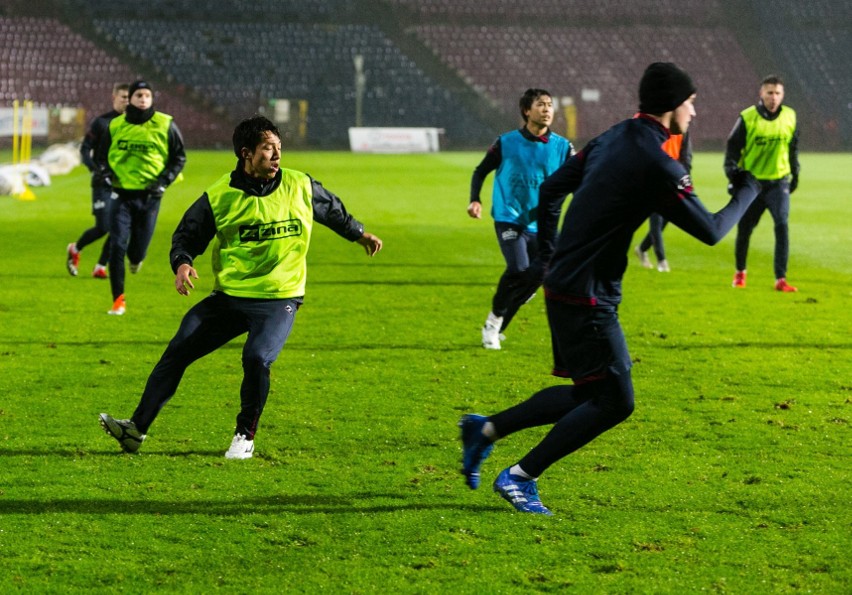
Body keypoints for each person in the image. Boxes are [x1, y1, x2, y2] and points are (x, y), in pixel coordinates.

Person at [458, 63, 761, 515]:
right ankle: (520, 477)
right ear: (673, 103)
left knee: (590, 392)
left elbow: (552, 189)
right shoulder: (657, 163)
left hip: (569, 281)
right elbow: (713, 230)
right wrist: (750, 189)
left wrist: (550, 253)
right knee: (617, 401)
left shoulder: (611, 136)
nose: (695, 111)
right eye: (691, 102)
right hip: (587, 292)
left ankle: (485, 430)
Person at [98, 115, 383, 459]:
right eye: (268, 149)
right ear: (246, 154)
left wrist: (358, 233)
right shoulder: (220, 196)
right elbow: (187, 235)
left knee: (256, 358)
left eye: (279, 147)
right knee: (178, 351)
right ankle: (135, 430)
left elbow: (331, 210)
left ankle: (244, 436)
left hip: (279, 298)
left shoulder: (300, 185)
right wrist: (183, 263)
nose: (277, 156)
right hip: (230, 298)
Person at [468, 88, 573, 350]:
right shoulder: (506, 142)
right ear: (527, 110)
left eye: (550, 104)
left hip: (544, 225)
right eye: (541, 104)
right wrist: (475, 199)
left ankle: (499, 325)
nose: (547, 109)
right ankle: (493, 323)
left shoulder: (563, 147)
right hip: (509, 217)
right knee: (517, 270)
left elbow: (578, 179)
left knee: (535, 277)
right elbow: (481, 171)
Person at [95, 80, 187, 315]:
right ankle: (118, 300)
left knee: (136, 252)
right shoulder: (116, 125)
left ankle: (136, 260)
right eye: (138, 95)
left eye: (147, 95)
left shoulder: (165, 124)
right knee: (117, 245)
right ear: (132, 99)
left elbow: (179, 157)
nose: (143, 99)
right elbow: (102, 156)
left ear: (151, 99)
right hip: (121, 195)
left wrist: (163, 182)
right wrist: (106, 174)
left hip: (150, 197)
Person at [725, 75, 800, 292]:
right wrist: (734, 176)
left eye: (777, 93)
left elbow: (793, 148)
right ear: (761, 94)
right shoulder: (748, 118)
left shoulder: (790, 117)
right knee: (745, 228)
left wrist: (795, 175)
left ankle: (780, 279)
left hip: (778, 182)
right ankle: (740, 272)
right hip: (753, 183)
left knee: (782, 224)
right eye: (769, 93)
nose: (773, 98)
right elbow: (732, 150)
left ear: (783, 95)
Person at [66, 83, 129, 279]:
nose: (126, 101)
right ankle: (75, 248)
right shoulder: (101, 122)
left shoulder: (135, 126)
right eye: (123, 97)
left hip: (125, 183)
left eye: (129, 97)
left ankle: (100, 266)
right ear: (114, 98)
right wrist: (95, 169)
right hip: (102, 182)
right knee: (103, 227)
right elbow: (85, 149)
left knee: (119, 227)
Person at [634, 130, 692, 272]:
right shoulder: (655, 127)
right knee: (656, 220)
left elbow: (686, 158)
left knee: (666, 219)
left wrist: (683, 179)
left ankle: (642, 249)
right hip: (654, 180)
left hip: (672, 180)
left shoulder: (682, 130)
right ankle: (662, 261)